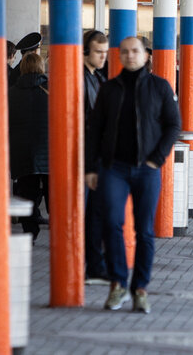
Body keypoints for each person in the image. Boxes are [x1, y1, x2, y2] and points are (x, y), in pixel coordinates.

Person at [86, 36, 181, 314]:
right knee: (112, 224)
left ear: (145, 55)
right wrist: (92, 168)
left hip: (146, 169)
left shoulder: (160, 86)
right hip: (113, 167)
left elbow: (173, 125)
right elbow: (95, 131)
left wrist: (156, 159)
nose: (129, 56)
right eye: (124, 52)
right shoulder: (109, 89)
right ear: (119, 56)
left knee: (145, 231)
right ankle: (118, 284)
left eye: (135, 51)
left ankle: (140, 288)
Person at [8, 53, 49, 240]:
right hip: (49, 151)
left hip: (21, 151)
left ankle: (30, 233)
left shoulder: (11, 93)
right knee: (54, 195)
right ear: (41, 67)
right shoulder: (51, 90)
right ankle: (58, 235)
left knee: (27, 193)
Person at [82, 30, 109, 284]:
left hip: (95, 155)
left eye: (105, 52)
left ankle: (96, 264)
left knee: (95, 214)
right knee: (90, 213)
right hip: (86, 157)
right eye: (98, 52)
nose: (103, 57)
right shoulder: (82, 79)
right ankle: (93, 265)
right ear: (85, 52)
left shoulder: (96, 78)